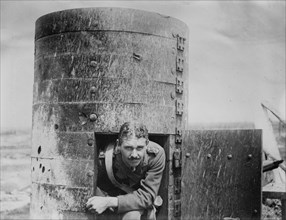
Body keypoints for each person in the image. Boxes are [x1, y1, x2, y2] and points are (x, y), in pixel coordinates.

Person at [86, 122, 166, 220]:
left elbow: (148, 196)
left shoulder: (155, 155)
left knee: (132, 216)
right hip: (111, 198)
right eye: (128, 148)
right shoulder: (106, 158)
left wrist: (109, 202)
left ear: (147, 144)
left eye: (140, 148)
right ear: (118, 145)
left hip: (135, 202)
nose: (134, 154)